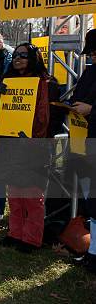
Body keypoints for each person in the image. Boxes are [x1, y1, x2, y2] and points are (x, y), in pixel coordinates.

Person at [0, 43, 57, 252]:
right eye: (16, 55)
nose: (18, 58)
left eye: (24, 55)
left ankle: (32, 239)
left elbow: (52, 119)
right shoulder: (7, 81)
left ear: (34, 58)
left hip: (34, 146)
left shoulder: (48, 84)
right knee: (14, 192)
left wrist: (35, 135)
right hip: (10, 143)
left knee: (32, 195)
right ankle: (14, 233)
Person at [70, 29, 96, 272]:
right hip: (88, 139)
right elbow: (79, 95)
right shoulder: (90, 71)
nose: (93, 57)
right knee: (92, 200)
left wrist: (92, 109)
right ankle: (93, 252)